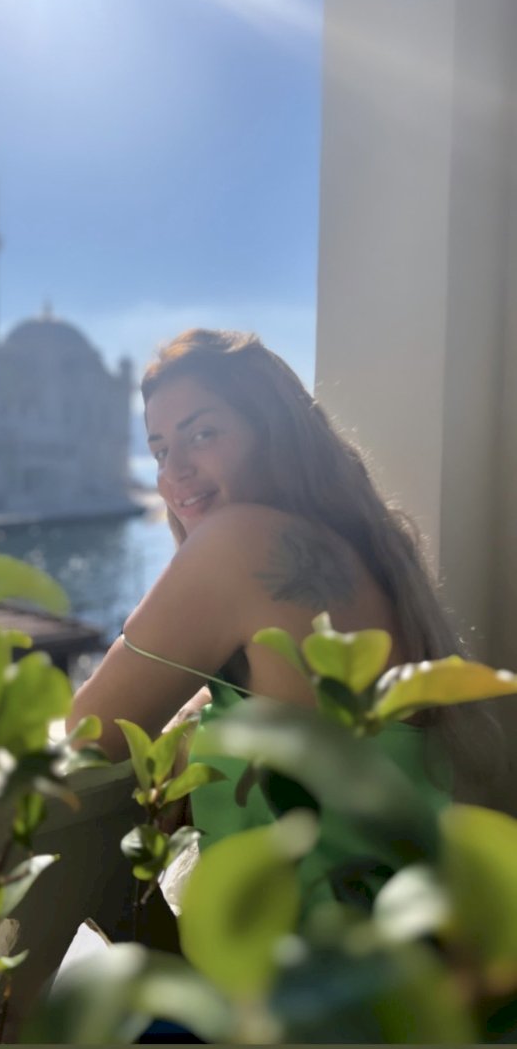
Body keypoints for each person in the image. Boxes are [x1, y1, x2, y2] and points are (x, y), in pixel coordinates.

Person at [67, 328, 495, 897]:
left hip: (316, 937)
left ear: (273, 432)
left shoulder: (238, 543)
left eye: (203, 434)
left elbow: (90, 733)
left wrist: (186, 738)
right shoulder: (363, 550)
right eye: (162, 451)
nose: (175, 472)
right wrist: (199, 713)